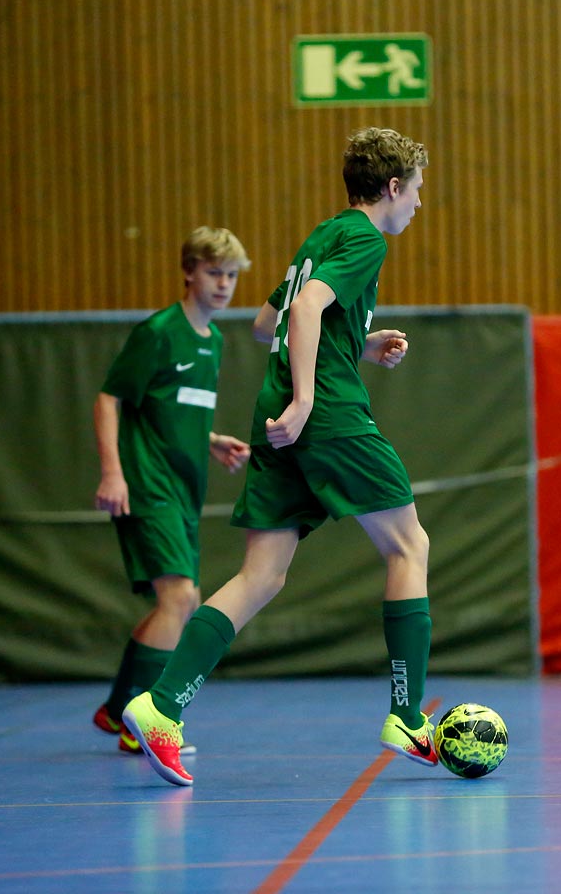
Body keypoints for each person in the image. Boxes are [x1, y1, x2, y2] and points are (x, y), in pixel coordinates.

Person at [122, 127, 433, 786]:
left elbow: (270, 322)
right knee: (410, 547)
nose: (418, 207)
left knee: (262, 576)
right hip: (325, 418)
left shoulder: (322, 235)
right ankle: (407, 715)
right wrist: (307, 400)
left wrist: (360, 344)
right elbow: (308, 311)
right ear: (395, 187)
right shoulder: (365, 239)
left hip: (279, 420)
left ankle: (161, 706)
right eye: (418, 193)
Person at [91, 226, 253, 756]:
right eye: (214, 272)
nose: (224, 284)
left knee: (183, 603)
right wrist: (113, 473)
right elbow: (110, 400)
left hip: (186, 490)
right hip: (147, 484)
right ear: (189, 272)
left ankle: (118, 709)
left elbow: (171, 407)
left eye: (231, 275)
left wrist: (209, 441)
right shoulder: (159, 332)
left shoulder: (215, 341)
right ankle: (143, 723)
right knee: (180, 597)